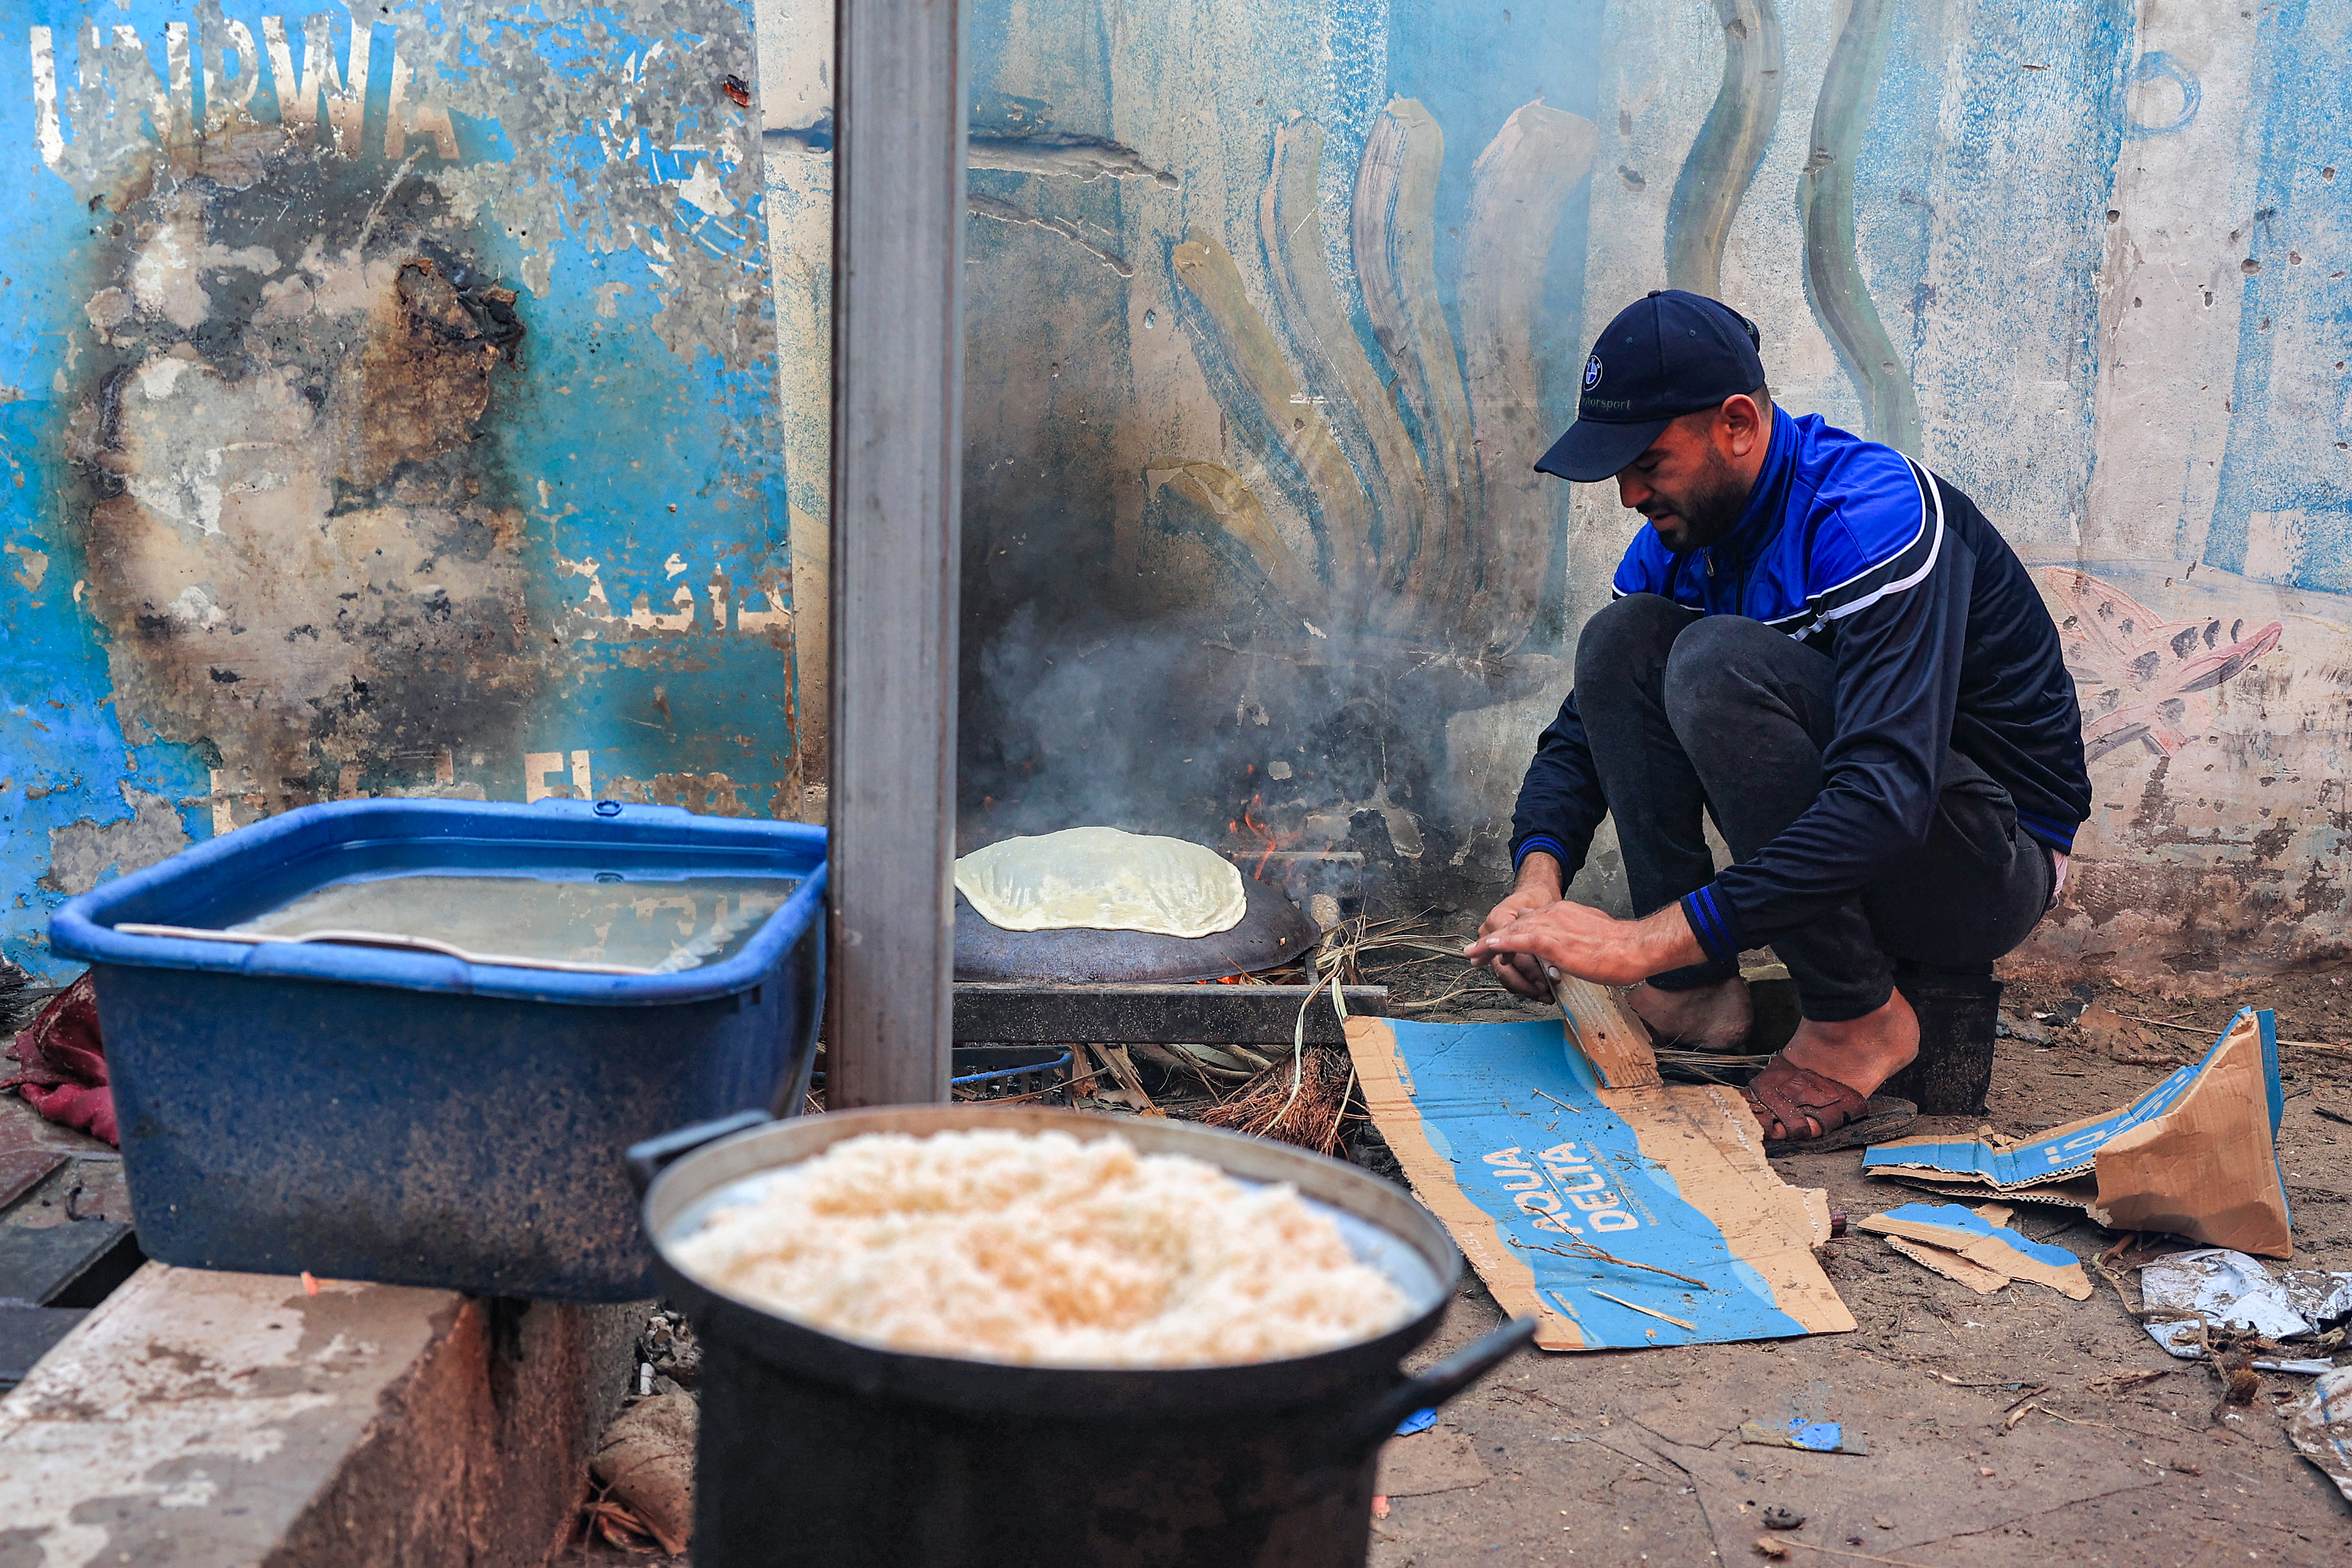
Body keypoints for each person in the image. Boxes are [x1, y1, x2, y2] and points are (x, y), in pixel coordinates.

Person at [1463, 290, 2090, 1148]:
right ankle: (1697, 990)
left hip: (1985, 862)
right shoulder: (1682, 538)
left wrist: (1640, 944)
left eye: (1648, 460)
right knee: (1623, 640)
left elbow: (1883, 800)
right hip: (1876, 846)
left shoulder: (1872, 518)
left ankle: (1856, 1017)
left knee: (1715, 661)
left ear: (1737, 425)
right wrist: (1537, 887)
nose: (1628, 494)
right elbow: (1583, 732)